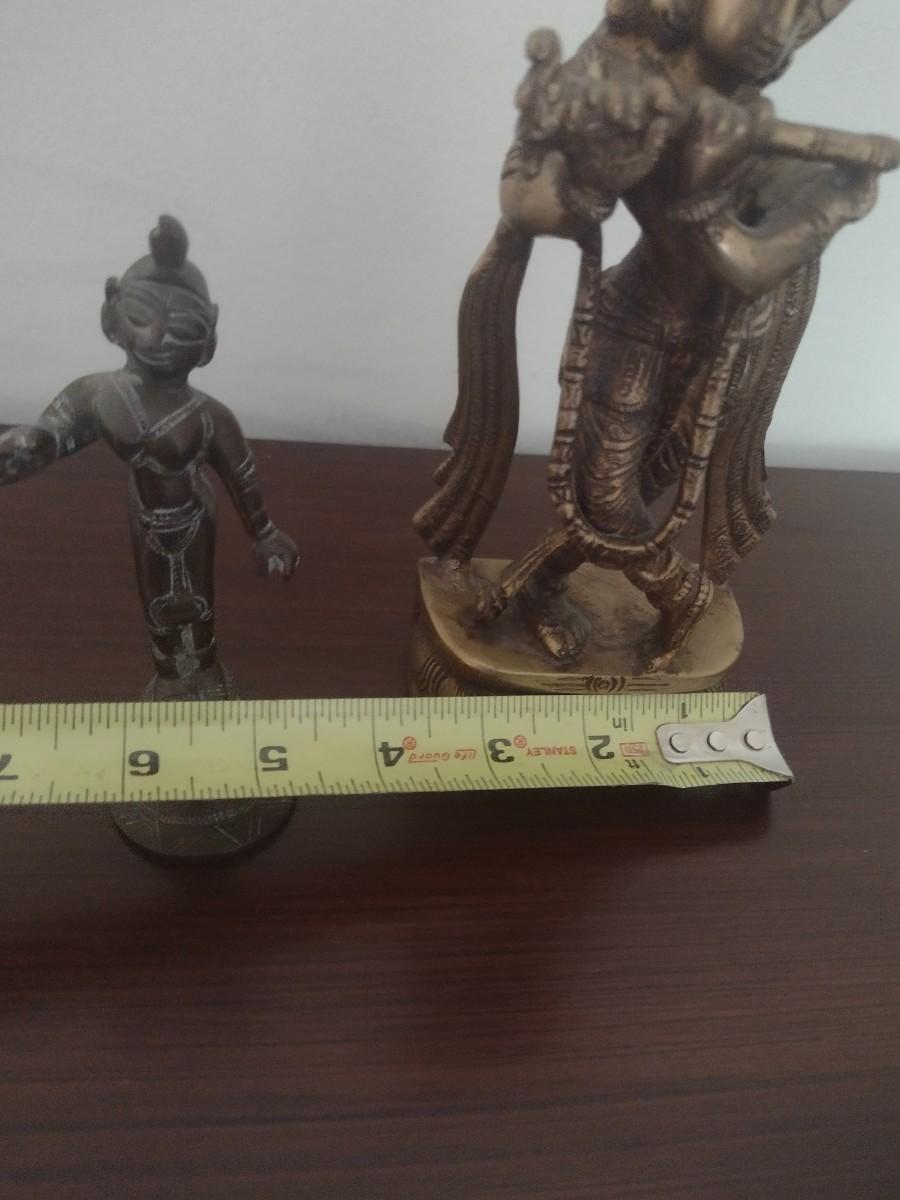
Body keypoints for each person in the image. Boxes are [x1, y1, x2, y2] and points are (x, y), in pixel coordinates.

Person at [415, 0, 897, 670]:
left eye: (800, 9)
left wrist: (727, 190)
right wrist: (565, 151)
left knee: (630, 499)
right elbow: (544, 205)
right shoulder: (632, 82)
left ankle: (533, 589)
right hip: (636, 320)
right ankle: (680, 594)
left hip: (725, 347)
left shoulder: (773, 140)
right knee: (607, 499)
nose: (779, 23)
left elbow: (750, 267)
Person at [0, 215, 298, 697]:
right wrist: (29, 446)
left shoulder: (208, 416)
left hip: (193, 515)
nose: (158, 339)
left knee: (195, 601)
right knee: (158, 603)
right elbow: (54, 431)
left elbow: (240, 472)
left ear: (207, 339)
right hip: (145, 513)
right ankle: (171, 674)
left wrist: (263, 532)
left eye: (182, 328)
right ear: (111, 313)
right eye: (141, 317)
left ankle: (204, 671)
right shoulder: (100, 394)